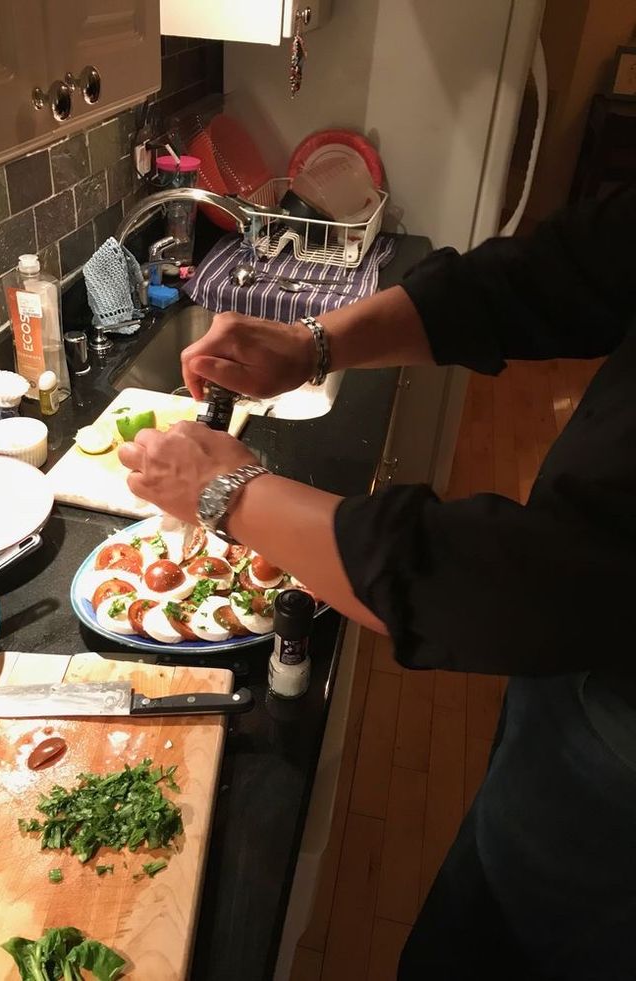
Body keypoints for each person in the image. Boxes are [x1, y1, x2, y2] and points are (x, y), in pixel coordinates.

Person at [119, 183, 636, 980]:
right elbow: (547, 275)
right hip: (568, 685)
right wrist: (313, 344)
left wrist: (234, 493)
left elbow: (539, 584)